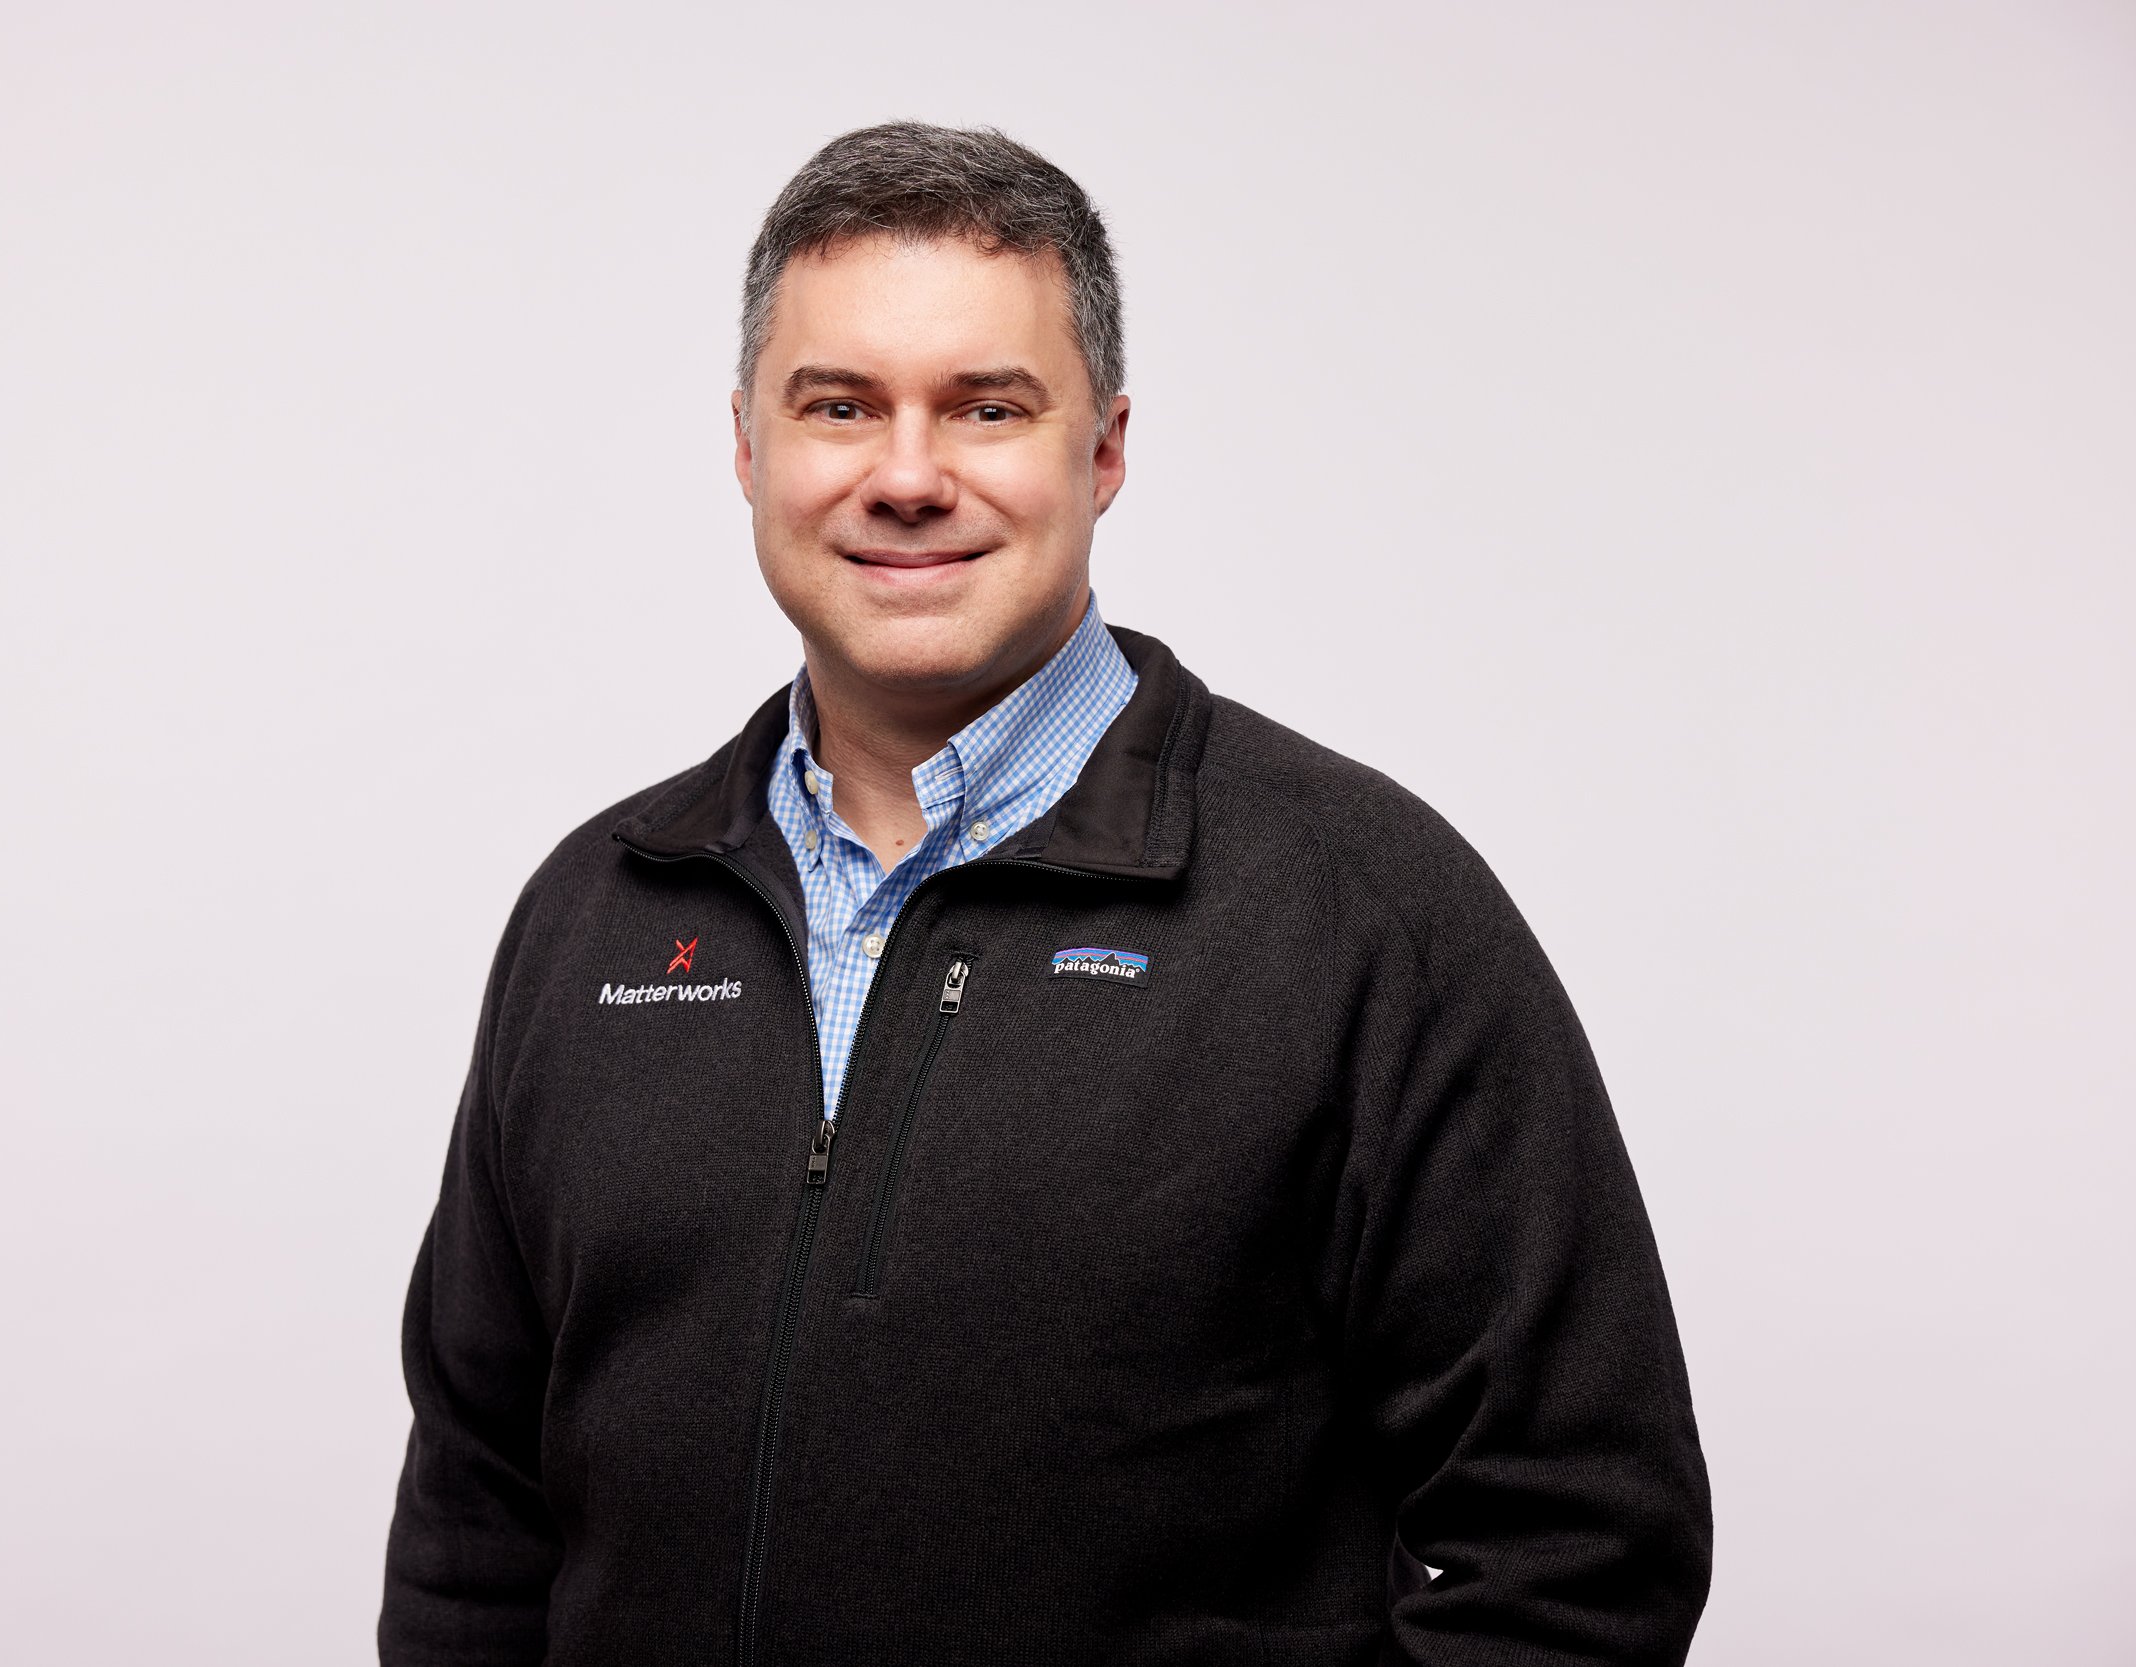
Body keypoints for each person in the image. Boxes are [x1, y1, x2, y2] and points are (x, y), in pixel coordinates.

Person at [379, 121, 1711, 1666]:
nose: (905, 475)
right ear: (749, 449)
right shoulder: (595, 915)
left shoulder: (1362, 913)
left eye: (985, 407)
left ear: (1105, 449)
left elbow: (1579, 1540)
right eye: (839, 406)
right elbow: (477, 1525)